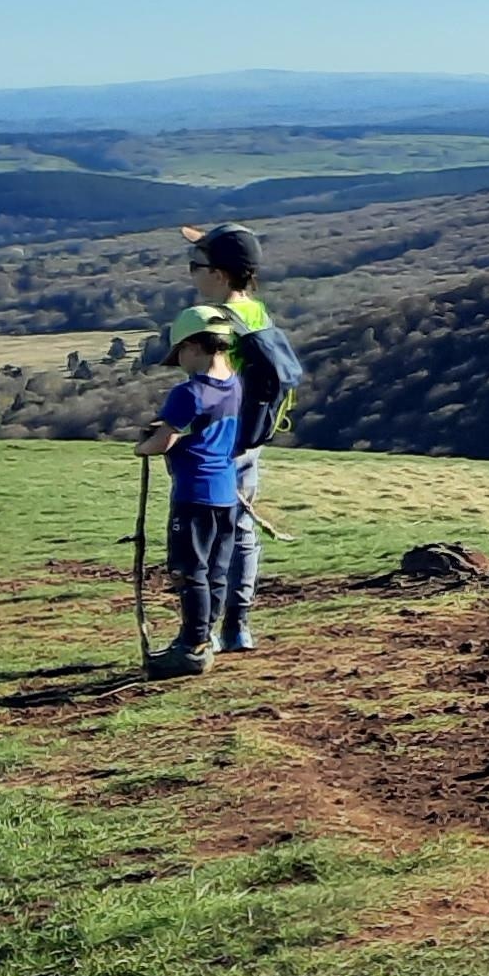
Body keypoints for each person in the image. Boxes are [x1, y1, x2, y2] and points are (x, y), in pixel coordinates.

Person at [164, 223, 288, 652]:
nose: (191, 274)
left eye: (195, 266)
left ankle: (205, 631)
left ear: (218, 275)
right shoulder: (258, 313)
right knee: (241, 530)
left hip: (220, 447)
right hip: (250, 441)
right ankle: (238, 625)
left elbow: (210, 390)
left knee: (211, 540)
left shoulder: (219, 323)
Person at [138, 306, 248, 676]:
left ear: (193, 346)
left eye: (181, 352)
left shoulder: (189, 392)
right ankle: (203, 638)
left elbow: (163, 441)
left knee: (190, 571)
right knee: (216, 570)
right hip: (225, 493)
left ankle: (192, 647)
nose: (180, 361)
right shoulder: (234, 384)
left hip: (194, 493)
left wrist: (143, 445)